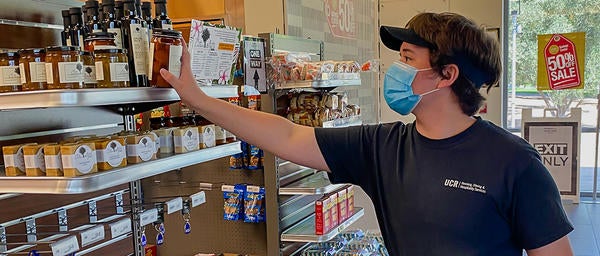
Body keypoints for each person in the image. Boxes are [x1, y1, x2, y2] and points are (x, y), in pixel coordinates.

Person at [160, 12, 573, 256]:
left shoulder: (515, 164)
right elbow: (287, 137)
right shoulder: (381, 147)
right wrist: (200, 100)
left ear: (447, 75)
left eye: (408, 58)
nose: (395, 68)